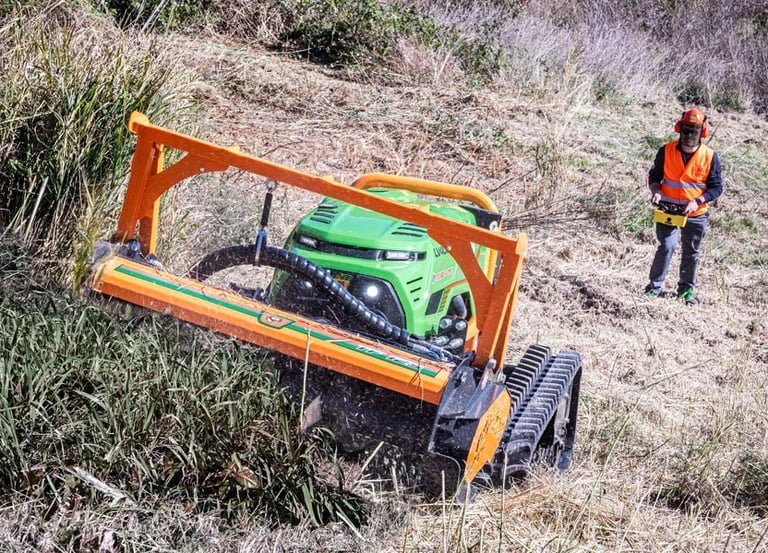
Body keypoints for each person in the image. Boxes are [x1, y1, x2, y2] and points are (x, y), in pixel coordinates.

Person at [644, 108, 723, 305]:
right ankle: (654, 288)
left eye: (694, 131)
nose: (689, 135)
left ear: (702, 132)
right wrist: (656, 191)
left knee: (691, 252)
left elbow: (717, 187)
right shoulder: (666, 150)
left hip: (695, 213)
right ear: (680, 129)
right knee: (666, 246)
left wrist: (697, 201)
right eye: (686, 130)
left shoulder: (710, 156)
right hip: (668, 210)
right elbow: (654, 177)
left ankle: (686, 291)